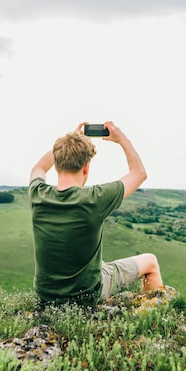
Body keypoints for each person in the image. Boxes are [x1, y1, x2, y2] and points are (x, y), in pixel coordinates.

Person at [28, 121, 163, 305]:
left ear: (57, 162)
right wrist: (121, 139)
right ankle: (156, 317)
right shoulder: (94, 199)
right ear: (86, 167)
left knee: (100, 264)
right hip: (88, 295)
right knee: (150, 261)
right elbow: (139, 173)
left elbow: (38, 168)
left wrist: (66, 145)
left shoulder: (38, 194)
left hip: (46, 295)